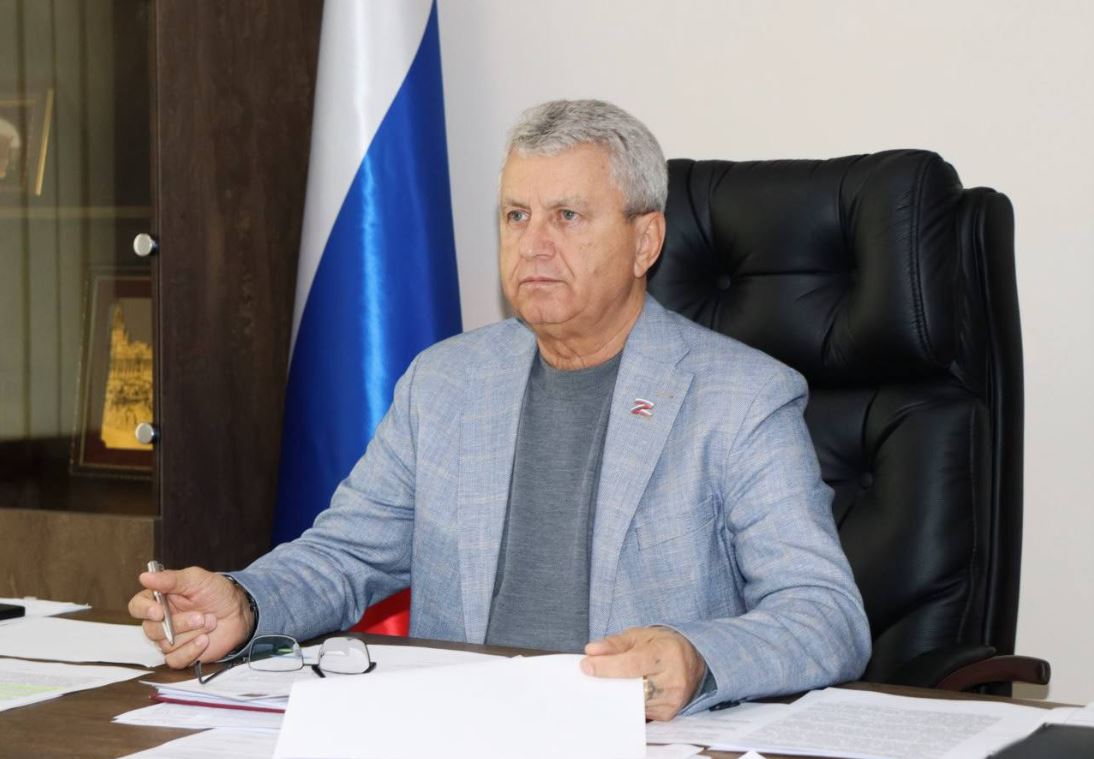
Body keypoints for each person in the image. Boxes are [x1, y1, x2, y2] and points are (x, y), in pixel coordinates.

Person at [129, 99, 870, 721]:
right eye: (517, 215)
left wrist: (698, 657)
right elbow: (347, 555)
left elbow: (824, 614)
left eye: (567, 215)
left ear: (645, 241)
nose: (533, 245)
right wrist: (247, 602)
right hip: (463, 730)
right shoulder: (445, 382)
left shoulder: (739, 397)